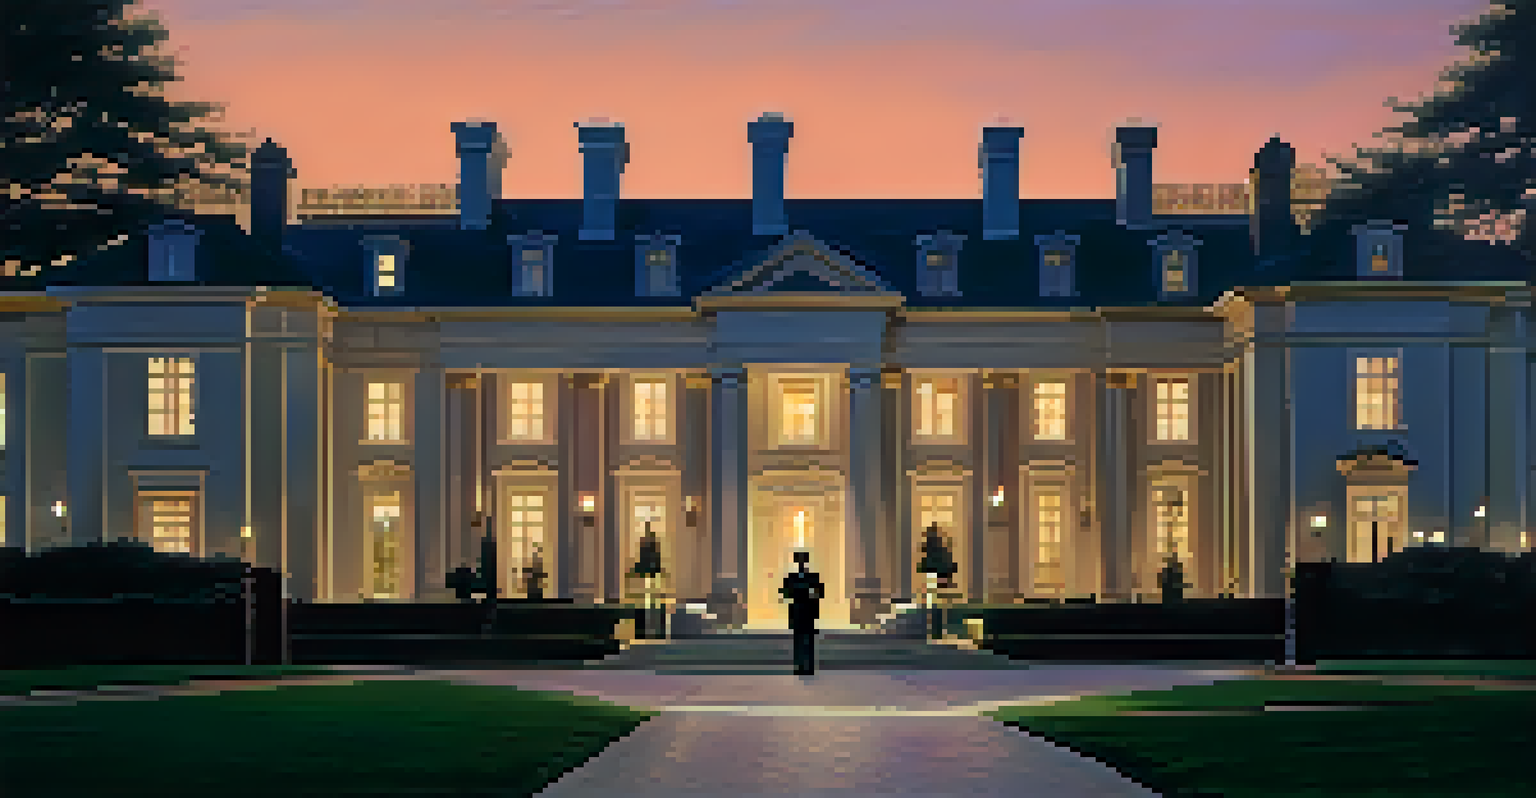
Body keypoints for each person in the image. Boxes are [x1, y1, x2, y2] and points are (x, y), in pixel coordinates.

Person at [780, 550, 824, 675]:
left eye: (802, 560)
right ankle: (800, 666)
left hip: (807, 611)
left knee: (807, 640)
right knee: (799, 640)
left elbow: (820, 593)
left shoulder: (811, 577)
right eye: (799, 560)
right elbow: (785, 593)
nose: (801, 563)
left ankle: (808, 666)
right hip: (799, 611)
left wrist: (800, 590)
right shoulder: (793, 577)